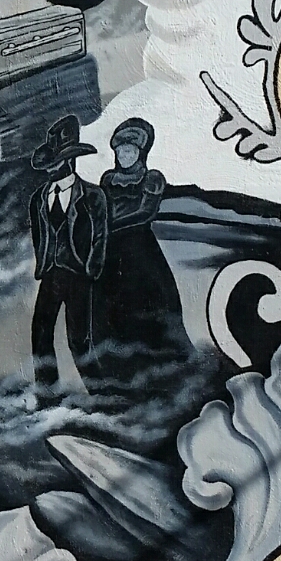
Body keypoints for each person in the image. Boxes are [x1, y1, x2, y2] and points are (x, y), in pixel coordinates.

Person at [93, 118, 187, 385]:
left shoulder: (152, 179)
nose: (124, 156)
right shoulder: (108, 179)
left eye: (129, 151)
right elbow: (101, 209)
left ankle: (160, 365)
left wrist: (110, 225)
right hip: (111, 254)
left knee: (149, 303)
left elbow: (145, 213)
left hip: (140, 252)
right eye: (120, 151)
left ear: (140, 152)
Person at [27, 114, 107, 400]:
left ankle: (100, 394)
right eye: (48, 164)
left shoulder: (93, 196)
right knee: (40, 331)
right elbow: (40, 235)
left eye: (56, 163)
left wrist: (91, 269)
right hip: (51, 274)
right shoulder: (39, 198)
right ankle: (47, 391)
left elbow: (100, 236)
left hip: (78, 275)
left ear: (70, 161)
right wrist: (43, 262)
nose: (50, 169)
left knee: (78, 339)